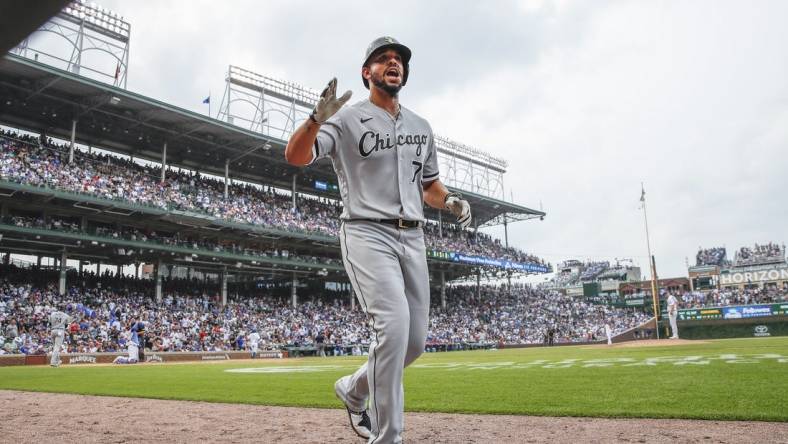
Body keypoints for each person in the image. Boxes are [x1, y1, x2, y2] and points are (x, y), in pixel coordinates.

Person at [285, 36, 472, 443]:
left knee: (415, 342)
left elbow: (429, 186)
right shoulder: (347, 118)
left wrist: (451, 200)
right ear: (366, 72)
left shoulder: (421, 126)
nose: (393, 63)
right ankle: (388, 437)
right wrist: (316, 118)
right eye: (383, 58)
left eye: (399, 60)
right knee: (393, 327)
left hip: (414, 236)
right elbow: (297, 156)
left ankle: (353, 389)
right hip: (366, 231)